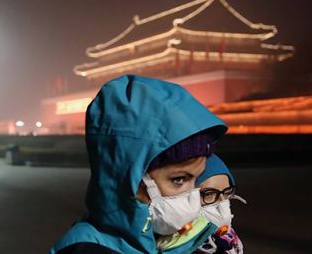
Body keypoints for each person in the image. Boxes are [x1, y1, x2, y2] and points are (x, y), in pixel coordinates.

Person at [50, 75, 227, 254]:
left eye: (196, 180)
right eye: (179, 180)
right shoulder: (88, 250)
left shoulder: (165, 240)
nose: (194, 200)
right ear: (129, 177)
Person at [195, 155, 246, 254]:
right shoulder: (171, 245)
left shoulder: (231, 243)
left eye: (227, 193)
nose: (222, 203)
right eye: (209, 194)